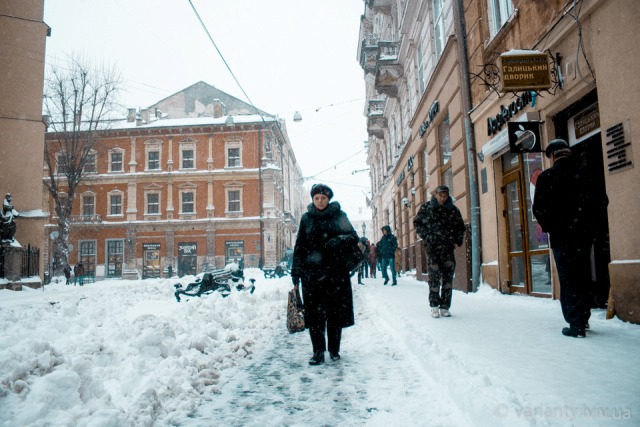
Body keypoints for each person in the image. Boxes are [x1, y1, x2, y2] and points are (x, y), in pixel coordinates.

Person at [532, 139, 608, 338]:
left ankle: (576, 324)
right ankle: (584, 318)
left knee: (568, 279)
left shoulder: (547, 177)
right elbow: (601, 201)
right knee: (583, 276)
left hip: (561, 238)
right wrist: (591, 227)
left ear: (553, 156)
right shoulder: (585, 173)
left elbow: (538, 208)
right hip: (583, 237)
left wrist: (552, 227)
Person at [291, 183, 358, 365]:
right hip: (312, 275)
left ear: (328, 199)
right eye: (316, 198)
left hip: (335, 273)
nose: (320, 201)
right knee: (315, 315)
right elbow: (300, 246)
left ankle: (334, 350)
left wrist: (339, 240)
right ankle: (318, 352)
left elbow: (353, 236)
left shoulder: (339, 216)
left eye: (323, 198)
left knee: (334, 314)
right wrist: (296, 270)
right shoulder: (306, 219)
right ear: (313, 199)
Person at [413, 185, 465, 318]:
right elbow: (417, 223)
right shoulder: (427, 208)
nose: (442, 198)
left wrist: (456, 241)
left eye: (445, 196)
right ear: (435, 195)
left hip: (447, 248)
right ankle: (434, 306)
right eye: (440, 196)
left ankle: (445, 307)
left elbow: (460, 227)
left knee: (448, 278)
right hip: (432, 248)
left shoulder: (452, 210)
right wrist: (427, 236)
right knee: (434, 277)